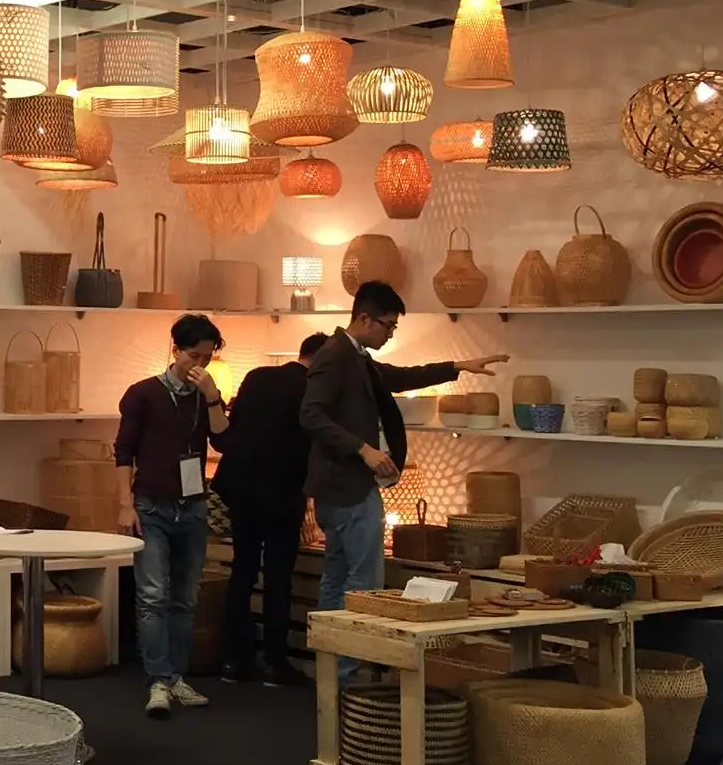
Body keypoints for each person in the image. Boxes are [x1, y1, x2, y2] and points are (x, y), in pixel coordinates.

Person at [300, 282, 507, 677]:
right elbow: (310, 415)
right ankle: (346, 676)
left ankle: (334, 675)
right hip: (347, 486)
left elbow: (397, 377)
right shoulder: (335, 355)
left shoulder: (356, 356)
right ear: (364, 318)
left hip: (344, 486)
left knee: (339, 577)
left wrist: (458, 367)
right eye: (388, 325)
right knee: (363, 581)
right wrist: (363, 449)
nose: (390, 334)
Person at [116, 314, 228, 719]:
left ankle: (176, 675)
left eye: (207, 357)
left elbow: (224, 438)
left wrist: (212, 396)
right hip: (152, 506)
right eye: (193, 355)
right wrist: (125, 502)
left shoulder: (204, 394)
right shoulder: (143, 394)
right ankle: (158, 680)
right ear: (175, 350)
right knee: (152, 596)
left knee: (186, 598)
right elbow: (124, 451)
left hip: (192, 507)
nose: (200, 363)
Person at [213, 332, 328, 688]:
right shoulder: (315, 390)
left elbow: (234, 428)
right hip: (282, 492)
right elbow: (311, 446)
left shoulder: (257, 376)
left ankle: (235, 661)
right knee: (278, 576)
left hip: (240, 488)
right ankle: (275, 663)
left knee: (243, 571)